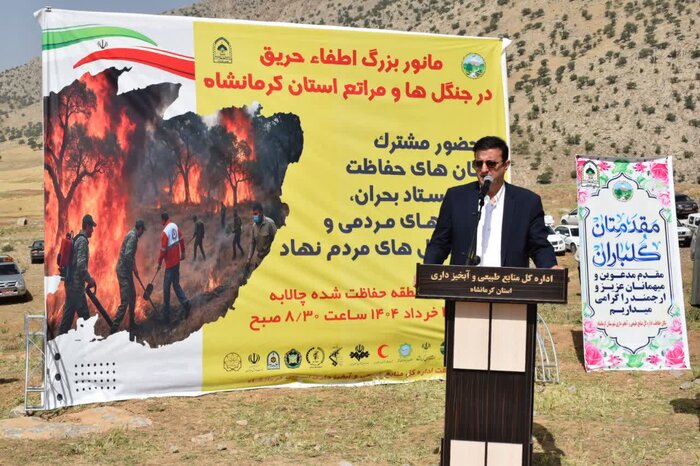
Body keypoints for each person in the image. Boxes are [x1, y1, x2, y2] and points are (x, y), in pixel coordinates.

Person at [424, 136, 557, 268]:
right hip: (465, 280)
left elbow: (539, 246)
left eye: (491, 164)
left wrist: (551, 267)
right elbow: (439, 244)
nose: (483, 170)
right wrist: (425, 272)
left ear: (506, 165)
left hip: (509, 281)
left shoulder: (527, 202)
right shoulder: (456, 198)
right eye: (478, 163)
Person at [58, 214, 97, 335]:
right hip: (76, 287)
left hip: (71, 285)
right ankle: (90, 342)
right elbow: (81, 267)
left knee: (67, 319)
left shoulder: (77, 239)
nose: (92, 230)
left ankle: (60, 340)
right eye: (92, 227)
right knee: (85, 319)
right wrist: (90, 280)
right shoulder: (82, 241)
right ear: (87, 226)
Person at [111, 220, 146, 334]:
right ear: (139, 228)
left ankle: (132, 323)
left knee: (133, 295)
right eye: (142, 231)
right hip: (123, 271)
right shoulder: (133, 237)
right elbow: (127, 256)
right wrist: (134, 268)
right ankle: (113, 328)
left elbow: (130, 255)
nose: (142, 233)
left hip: (127, 271)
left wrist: (134, 268)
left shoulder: (132, 234)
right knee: (125, 300)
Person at [159, 212, 191, 322]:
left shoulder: (165, 232)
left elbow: (163, 250)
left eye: (161, 220)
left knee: (166, 289)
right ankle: (185, 303)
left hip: (170, 265)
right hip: (177, 262)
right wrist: (183, 252)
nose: (161, 222)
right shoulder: (174, 226)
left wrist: (159, 263)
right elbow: (181, 239)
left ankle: (166, 316)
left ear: (163, 220)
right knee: (176, 284)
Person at [247, 202, 277, 272]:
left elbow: (277, 241)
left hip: (269, 260)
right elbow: (252, 243)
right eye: (253, 214)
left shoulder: (270, 224)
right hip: (259, 260)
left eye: (256, 214)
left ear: (261, 213)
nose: (254, 216)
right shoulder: (254, 226)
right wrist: (249, 259)